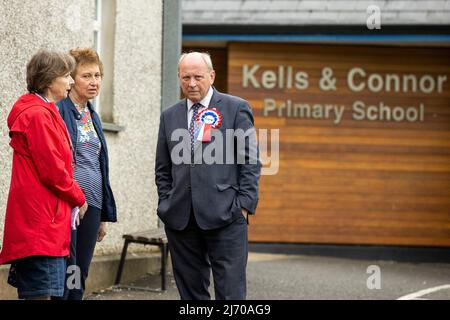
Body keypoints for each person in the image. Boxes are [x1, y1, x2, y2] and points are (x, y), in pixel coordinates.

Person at [155, 52, 261, 300]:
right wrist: (166, 202)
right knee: (191, 294)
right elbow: (163, 167)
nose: (191, 83)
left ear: (211, 76)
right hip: (181, 219)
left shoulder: (236, 108)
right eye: (186, 77)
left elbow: (250, 161)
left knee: (231, 293)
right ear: (179, 78)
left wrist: (243, 206)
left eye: (198, 77)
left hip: (226, 216)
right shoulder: (169, 115)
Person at [0, 49, 88, 300]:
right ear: (50, 79)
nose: (72, 82)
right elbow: (53, 171)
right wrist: (78, 197)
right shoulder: (38, 115)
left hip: (45, 223)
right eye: (67, 75)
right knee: (41, 295)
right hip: (41, 226)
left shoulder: (45, 110)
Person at [57, 48, 117, 300]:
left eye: (98, 75)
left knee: (80, 269)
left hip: (91, 204)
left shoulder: (92, 115)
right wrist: (74, 198)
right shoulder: (60, 111)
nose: (94, 82)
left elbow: (98, 165)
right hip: (68, 204)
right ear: (71, 79)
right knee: (65, 268)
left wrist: (103, 213)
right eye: (86, 76)